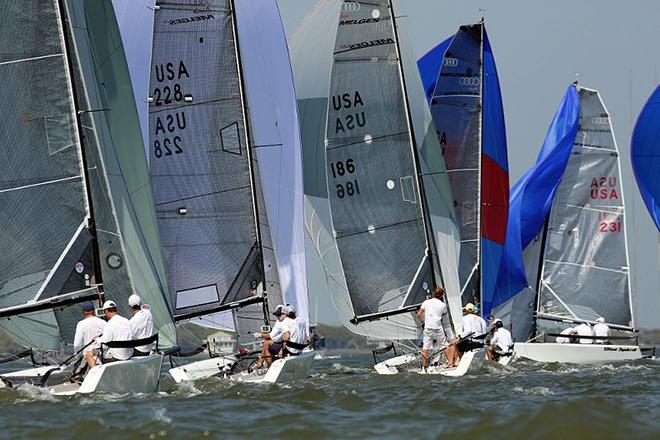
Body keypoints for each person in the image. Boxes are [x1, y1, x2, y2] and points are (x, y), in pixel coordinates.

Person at [87, 300, 133, 367]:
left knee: (90, 354)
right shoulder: (127, 321)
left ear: (106, 311)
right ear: (116, 309)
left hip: (118, 356)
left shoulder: (109, 324)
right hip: (129, 354)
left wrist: (96, 339)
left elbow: (105, 343)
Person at [416, 287, 450, 370]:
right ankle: (449, 362)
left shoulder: (426, 302)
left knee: (425, 347)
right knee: (444, 345)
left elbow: (419, 314)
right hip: (438, 327)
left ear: (433, 293)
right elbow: (444, 314)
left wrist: (423, 322)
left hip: (428, 327)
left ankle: (424, 367)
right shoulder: (443, 305)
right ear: (441, 295)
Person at [444, 303, 486, 367]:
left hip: (472, 344)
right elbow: (484, 332)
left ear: (466, 311)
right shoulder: (481, 319)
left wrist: (459, 338)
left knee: (456, 343)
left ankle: (458, 361)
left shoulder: (465, 318)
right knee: (459, 342)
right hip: (481, 343)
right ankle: (457, 361)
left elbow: (468, 331)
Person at [74, 301, 106, 370]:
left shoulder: (81, 324)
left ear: (83, 312)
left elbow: (77, 345)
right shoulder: (103, 322)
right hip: (103, 354)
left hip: (90, 357)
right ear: (94, 311)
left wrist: (78, 356)